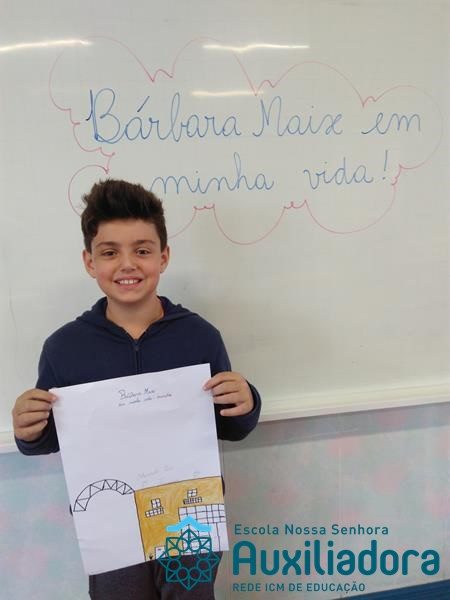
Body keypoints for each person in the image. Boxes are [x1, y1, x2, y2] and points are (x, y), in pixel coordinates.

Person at [12, 179, 261, 600]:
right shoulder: (63, 348)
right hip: (111, 522)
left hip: (189, 516)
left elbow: (230, 427)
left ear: (163, 257)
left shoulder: (200, 336)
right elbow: (51, 437)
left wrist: (247, 401)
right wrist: (28, 430)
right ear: (90, 261)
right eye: (110, 252)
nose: (127, 264)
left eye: (142, 251)